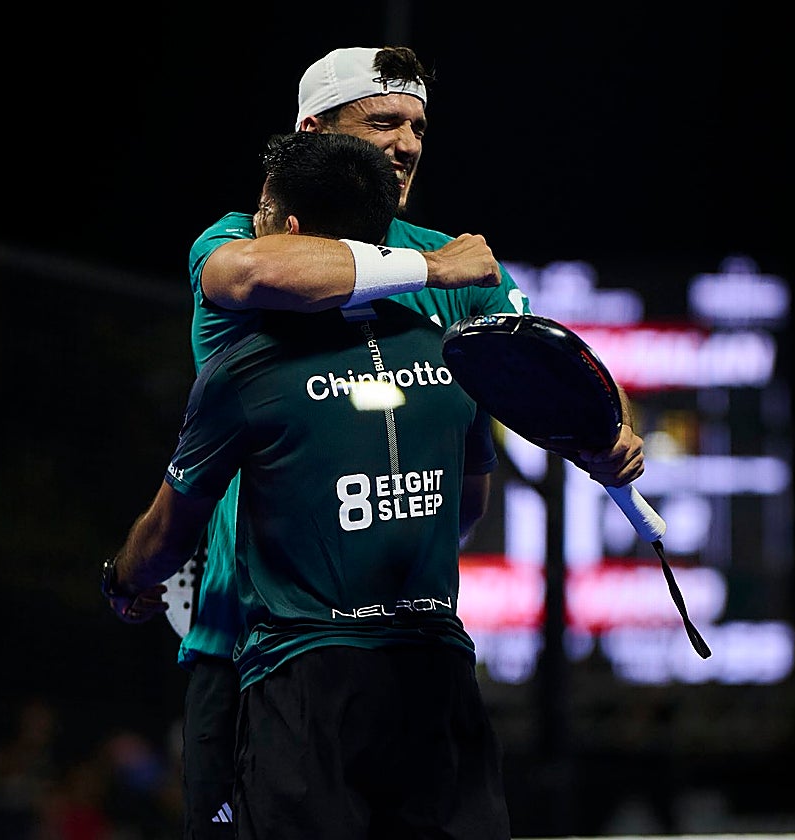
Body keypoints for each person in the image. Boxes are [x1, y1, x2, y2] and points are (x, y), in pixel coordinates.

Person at [160, 46, 645, 838]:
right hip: (248, 642)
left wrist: (607, 425)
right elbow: (248, 276)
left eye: (418, 125)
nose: (408, 143)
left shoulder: (454, 261)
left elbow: (558, 354)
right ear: (314, 131)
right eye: (383, 120)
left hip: (410, 642)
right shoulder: (242, 239)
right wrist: (429, 268)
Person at [104, 129, 511, 839]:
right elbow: (465, 509)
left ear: (291, 230)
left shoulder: (245, 370)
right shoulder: (455, 356)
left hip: (303, 681)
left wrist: (123, 578)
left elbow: (170, 534)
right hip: (438, 671)